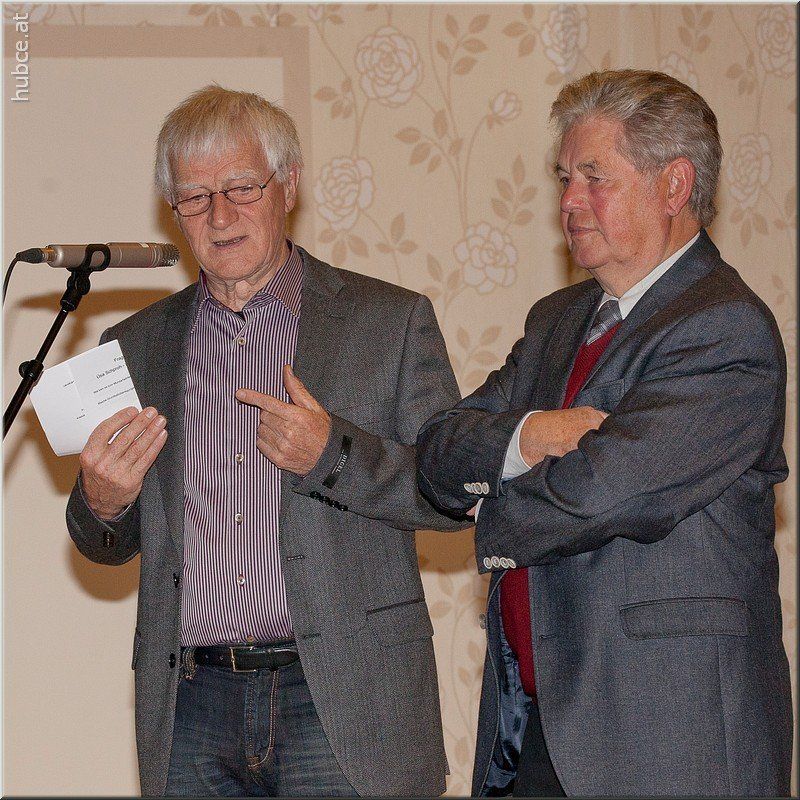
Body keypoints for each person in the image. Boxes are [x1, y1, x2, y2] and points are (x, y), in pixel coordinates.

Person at [66, 84, 465, 798]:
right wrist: (102, 502)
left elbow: (453, 495)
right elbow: (104, 543)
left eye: (242, 188)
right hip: (192, 704)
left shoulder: (389, 321)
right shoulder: (135, 345)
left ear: (289, 186)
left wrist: (332, 455)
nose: (219, 216)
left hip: (344, 697)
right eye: (195, 197)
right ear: (174, 211)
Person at [417, 69, 792, 797]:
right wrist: (530, 437)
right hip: (531, 733)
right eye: (565, 178)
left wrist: (489, 505)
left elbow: (604, 491)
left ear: (674, 186)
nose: (568, 201)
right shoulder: (556, 319)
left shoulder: (724, 327)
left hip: (668, 740)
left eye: (595, 177)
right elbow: (438, 450)